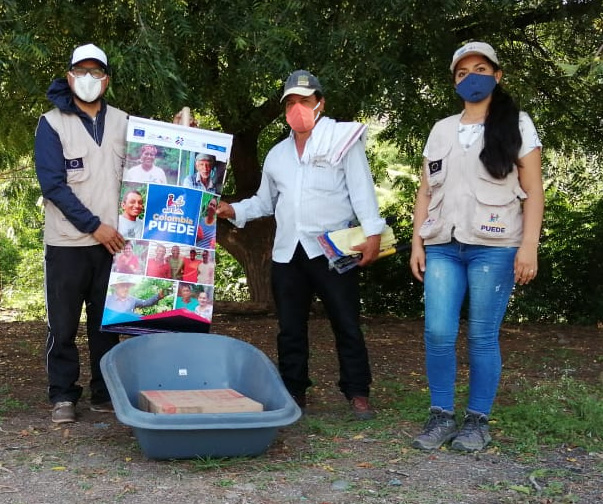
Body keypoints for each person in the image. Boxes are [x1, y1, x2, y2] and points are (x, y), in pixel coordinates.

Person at [216, 69, 384, 420]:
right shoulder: (277, 154)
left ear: (320, 104)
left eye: (304, 101)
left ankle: (357, 391)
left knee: (346, 322)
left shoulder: (342, 141)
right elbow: (264, 202)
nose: (297, 109)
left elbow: (361, 189)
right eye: (290, 102)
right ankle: (294, 391)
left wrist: (373, 234)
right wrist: (231, 209)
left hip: (332, 249)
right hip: (287, 252)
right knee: (290, 328)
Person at [409, 42, 544, 452]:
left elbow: (534, 192)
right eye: (463, 73)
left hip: (496, 246)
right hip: (444, 246)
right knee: (437, 332)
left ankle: (477, 422)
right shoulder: (441, 129)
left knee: (483, 335)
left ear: (497, 75)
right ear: (455, 82)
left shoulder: (517, 123)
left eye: (480, 69)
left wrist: (529, 247)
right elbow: (424, 191)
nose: (472, 77)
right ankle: (441, 416)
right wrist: (418, 242)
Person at [34, 43, 128, 424]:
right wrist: (94, 227)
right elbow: (53, 186)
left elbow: (156, 162)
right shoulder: (52, 123)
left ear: (106, 80)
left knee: (107, 324)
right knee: (63, 323)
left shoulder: (124, 122)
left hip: (115, 244)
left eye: (96, 72)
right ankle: (63, 394)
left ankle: (106, 393)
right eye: (81, 71)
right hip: (68, 243)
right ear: (70, 75)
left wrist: (179, 131)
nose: (89, 79)